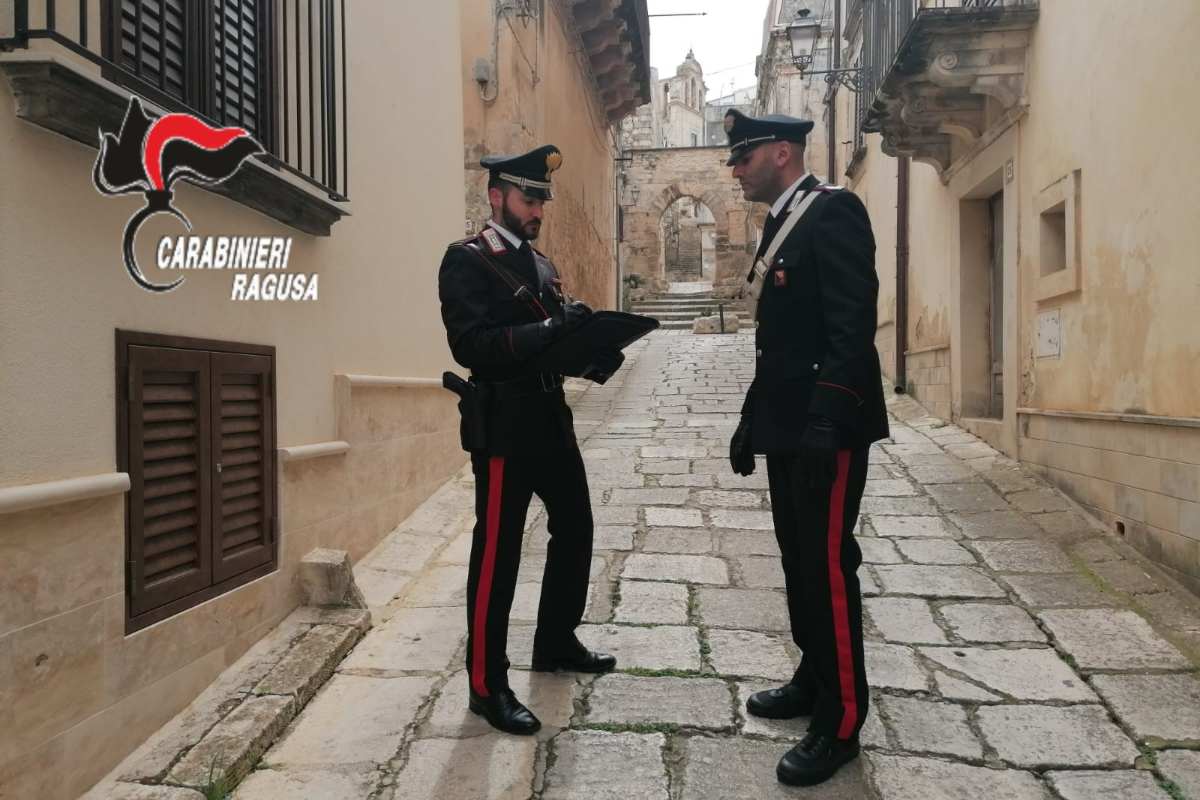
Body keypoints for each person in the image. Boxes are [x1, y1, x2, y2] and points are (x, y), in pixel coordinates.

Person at [725, 109, 889, 786]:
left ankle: (843, 717)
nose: (735, 169)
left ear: (783, 152)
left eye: (744, 156)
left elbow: (852, 328)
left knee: (826, 567)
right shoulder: (781, 221)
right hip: (789, 428)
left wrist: (827, 420)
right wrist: (749, 419)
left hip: (828, 431)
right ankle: (812, 674)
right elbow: (780, 344)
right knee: (797, 561)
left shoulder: (834, 210)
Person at [438, 144, 620, 736]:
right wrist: (548, 328)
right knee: (498, 552)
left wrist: (590, 356)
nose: (538, 207)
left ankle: (556, 640)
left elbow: (552, 345)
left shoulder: (542, 266)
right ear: (497, 197)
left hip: (550, 418)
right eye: (528, 197)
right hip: (504, 426)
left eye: (542, 198)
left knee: (577, 525)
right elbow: (472, 345)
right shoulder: (466, 260)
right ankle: (486, 684)